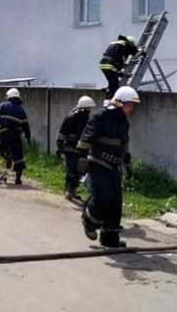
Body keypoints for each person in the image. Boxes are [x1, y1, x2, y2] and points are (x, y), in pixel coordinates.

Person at [77, 86, 140, 248]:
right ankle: (89, 220)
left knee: (115, 203)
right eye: (129, 105)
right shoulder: (99, 117)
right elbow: (86, 138)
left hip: (115, 167)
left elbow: (123, 145)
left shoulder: (124, 122)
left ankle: (110, 239)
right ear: (119, 103)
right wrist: (82, 159)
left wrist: (127, 163)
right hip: (98, 163)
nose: (131, 109)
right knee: (102, 198)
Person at [0, 88, 31, 185]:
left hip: (4, 134)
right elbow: (26, 127)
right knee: (19, 158)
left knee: (0, 150)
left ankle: (7, 156)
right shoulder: (21, 111)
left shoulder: (2, 106)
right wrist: (28, 137)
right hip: (16, 136)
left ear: (9, 97)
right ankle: (18, 179)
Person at [57, 95, 96, 200]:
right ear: (83, 107)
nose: (89, 110)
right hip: (70, 148)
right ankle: (68, 190)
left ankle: (73, 190)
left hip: (82, 149)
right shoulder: (70, 117)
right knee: (72, 170)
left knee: (80, 170)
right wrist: (60, 147)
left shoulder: (88, 119)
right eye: (88, 108)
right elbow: (62, 133)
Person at [99, 35, 139, 100]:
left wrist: (121, 73)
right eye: (132, 44)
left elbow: (117, 58)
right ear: (130, 42)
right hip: (110, 65)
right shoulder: (126, 44)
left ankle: (108, 91)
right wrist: (142, 52)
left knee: (112, 81)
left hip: (103, 64)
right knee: (115, 85)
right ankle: (110, 100)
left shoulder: (117, 43)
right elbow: (136, 53)